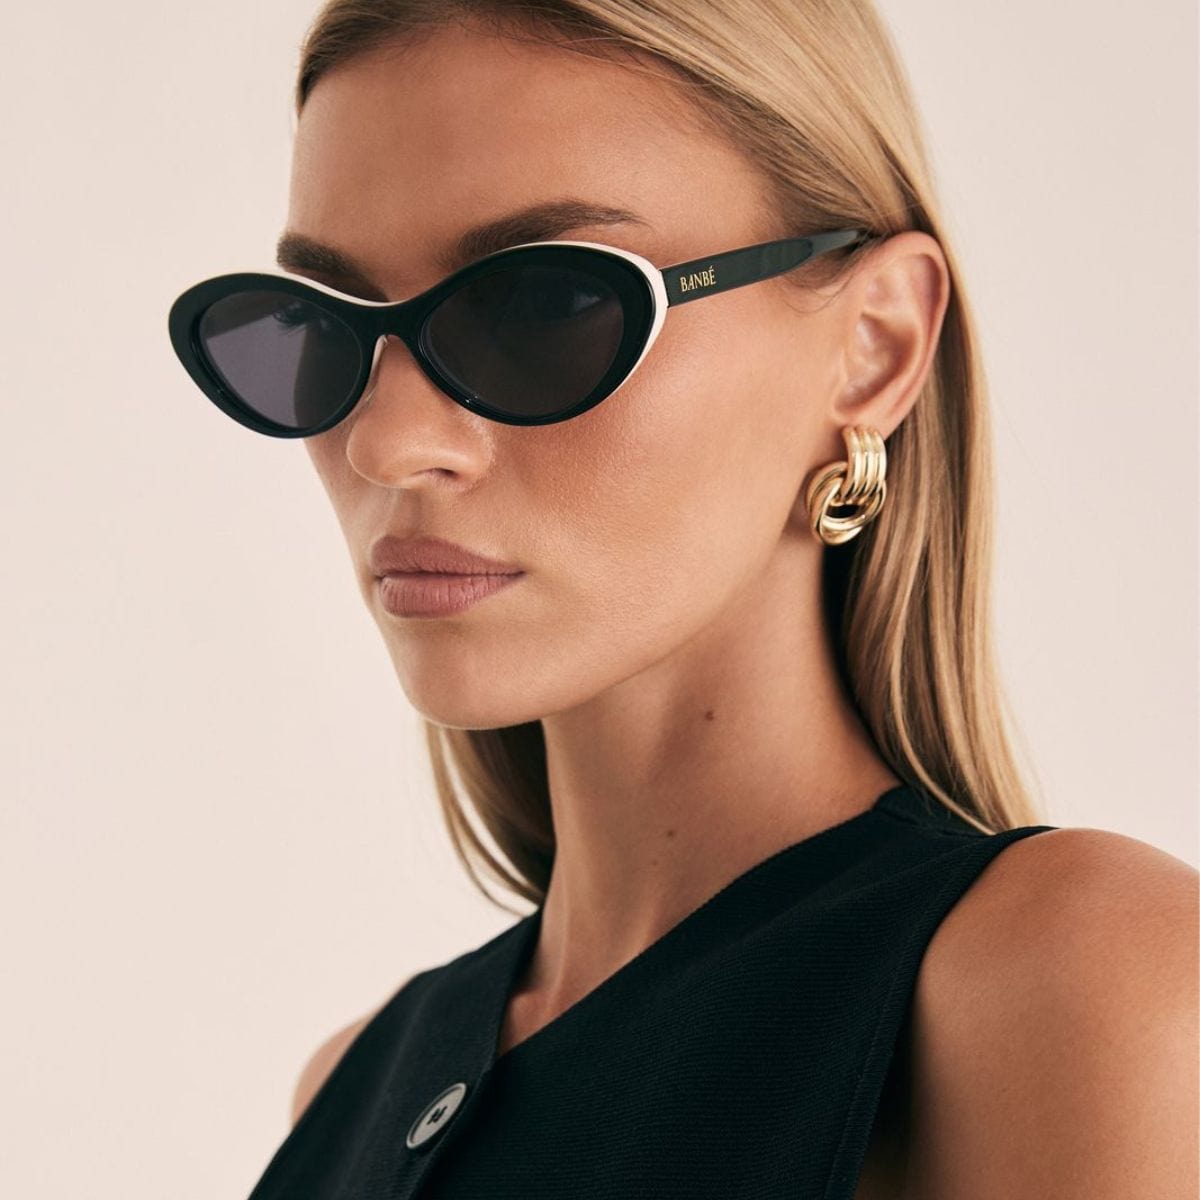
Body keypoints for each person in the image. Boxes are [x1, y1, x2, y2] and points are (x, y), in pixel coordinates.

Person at [166, 2, 1198, 1197]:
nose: (386, 443)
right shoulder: (353, 1092)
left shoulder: (1081, 984)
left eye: (544, 305)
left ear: (874, 345)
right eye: (320, 324)